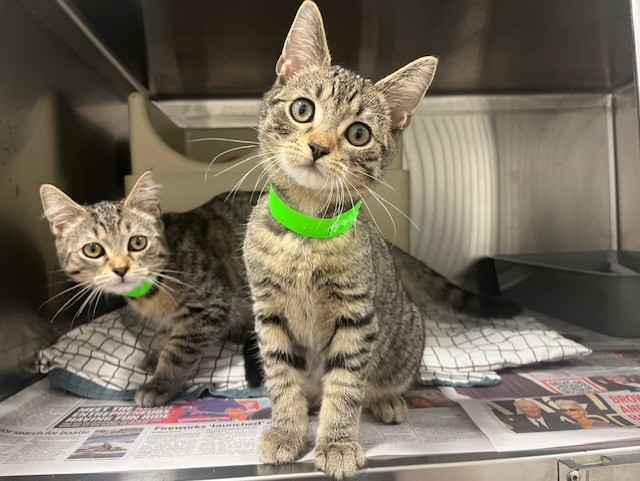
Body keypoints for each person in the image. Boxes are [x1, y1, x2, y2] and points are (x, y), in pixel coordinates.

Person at [508, 398, 579, 433]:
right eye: (526, 408)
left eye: (534, 407)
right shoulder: (518, 426)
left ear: (539, 407)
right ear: (521, 410)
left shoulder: (556, 419)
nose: (532, 409)